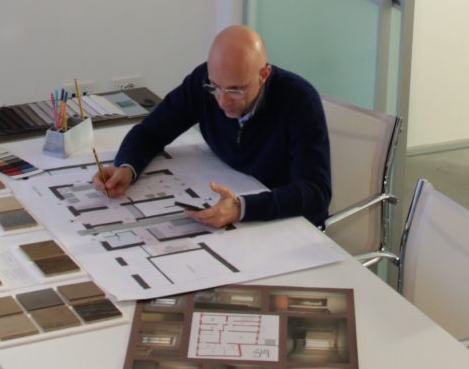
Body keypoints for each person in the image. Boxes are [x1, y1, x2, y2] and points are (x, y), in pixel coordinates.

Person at [93, 23, 331, 230]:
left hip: (286, 223)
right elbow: (151, 131)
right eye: (215, 87)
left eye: (235, 90)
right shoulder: (203, 82)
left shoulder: (299, 101)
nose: (222, 100)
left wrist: (241, 208)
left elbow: (315, 192)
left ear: (264, 75)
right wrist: (127, 167)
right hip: (233, 201)